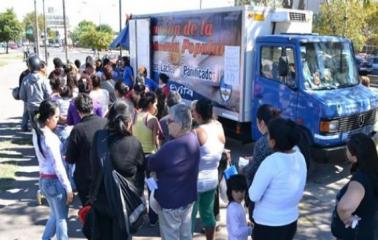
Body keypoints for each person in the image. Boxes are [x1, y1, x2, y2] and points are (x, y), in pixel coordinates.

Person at [89, 100, 145, 239]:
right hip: (124, 206)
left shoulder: (98, 137)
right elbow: (140, 174)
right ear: (130, 121)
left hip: (101, 201)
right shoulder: (134, 143)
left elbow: (93, 166)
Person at [248, 118, 307, 240]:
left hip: (268, 226)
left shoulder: (271, 162)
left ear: (273, 142)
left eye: (269, 134)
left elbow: (253, 195)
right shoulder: (300, 156)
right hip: (290, 221)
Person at [148, 103, 200, 240]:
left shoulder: (172, 147)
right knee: (185, 235)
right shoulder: (193, 139)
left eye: (170, 121)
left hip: (171, 202)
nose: (167, 124)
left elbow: (151, 163)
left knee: (171, 236)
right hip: (187, 198)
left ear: (180, 124)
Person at [32, 100, 73, 240]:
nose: (58, 120)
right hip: (55, 181)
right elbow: (58, 166)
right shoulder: (51, 138)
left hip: (44, 180)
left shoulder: (37, 133)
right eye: (56, 117)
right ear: (48, 118)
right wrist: (68, 188)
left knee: (55, 215)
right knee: (61, 218)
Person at [331, 133, 378, 240]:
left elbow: (344, 208)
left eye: (347, 149)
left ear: (355, 157)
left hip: (357, 235)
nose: (345, 151)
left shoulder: (359, 180)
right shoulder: (373, 170)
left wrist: (347, 219)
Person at [191, 98, 225, 240]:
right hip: (212, 179)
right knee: (208, 214)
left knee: (190, 216)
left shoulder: (197, 132)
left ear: (198, 114)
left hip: (196, 181)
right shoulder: (219, 126)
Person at [65, 94, 107, 205]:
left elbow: (70, 158)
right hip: (105, 175)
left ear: (78, 111)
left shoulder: (78, 129)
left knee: (89, 212)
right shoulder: (105, 123)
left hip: (86, 178)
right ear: (92, 107)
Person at [132, 91, 161, 225]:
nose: (156, 106)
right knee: (152, 188)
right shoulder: (152, 119)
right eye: (155, 104)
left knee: (137, 186)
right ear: (150, 104)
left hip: (136, 157)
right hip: (150, 159)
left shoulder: (134, 115)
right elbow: (156, 141)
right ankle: (153, 218)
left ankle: (137, 215)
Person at [19, 55, 52, 127]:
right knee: (41, 125)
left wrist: (28, 100)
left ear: (29, 66)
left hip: (31, 107)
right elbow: (49, 94)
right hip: (42, 107)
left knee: (34, 126)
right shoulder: (43, 79)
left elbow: (22, 95)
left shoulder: (25, 79)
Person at [226, 174, 253, 240]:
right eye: (236, 191)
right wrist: (250, 230)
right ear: (230, 192)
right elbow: (236, 231)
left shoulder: (238, 204)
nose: (240, 194)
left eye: (242, 191)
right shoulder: (233, 209)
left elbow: (238, 221)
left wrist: (246, 223)